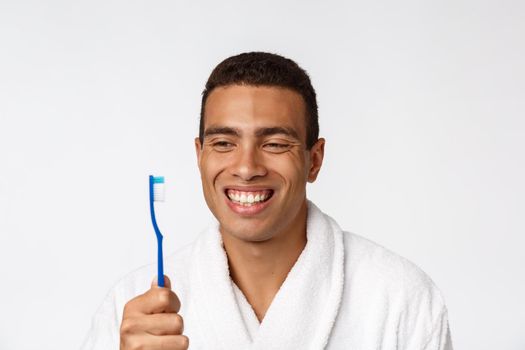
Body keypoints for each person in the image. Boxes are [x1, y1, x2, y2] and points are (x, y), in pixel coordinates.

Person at [81, 52, 453, 350]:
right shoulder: (132, 310)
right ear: (200, 156)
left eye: (275, 144)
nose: (246, 167)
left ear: (314, 160)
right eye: (224, 143)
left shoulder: (400, 297)